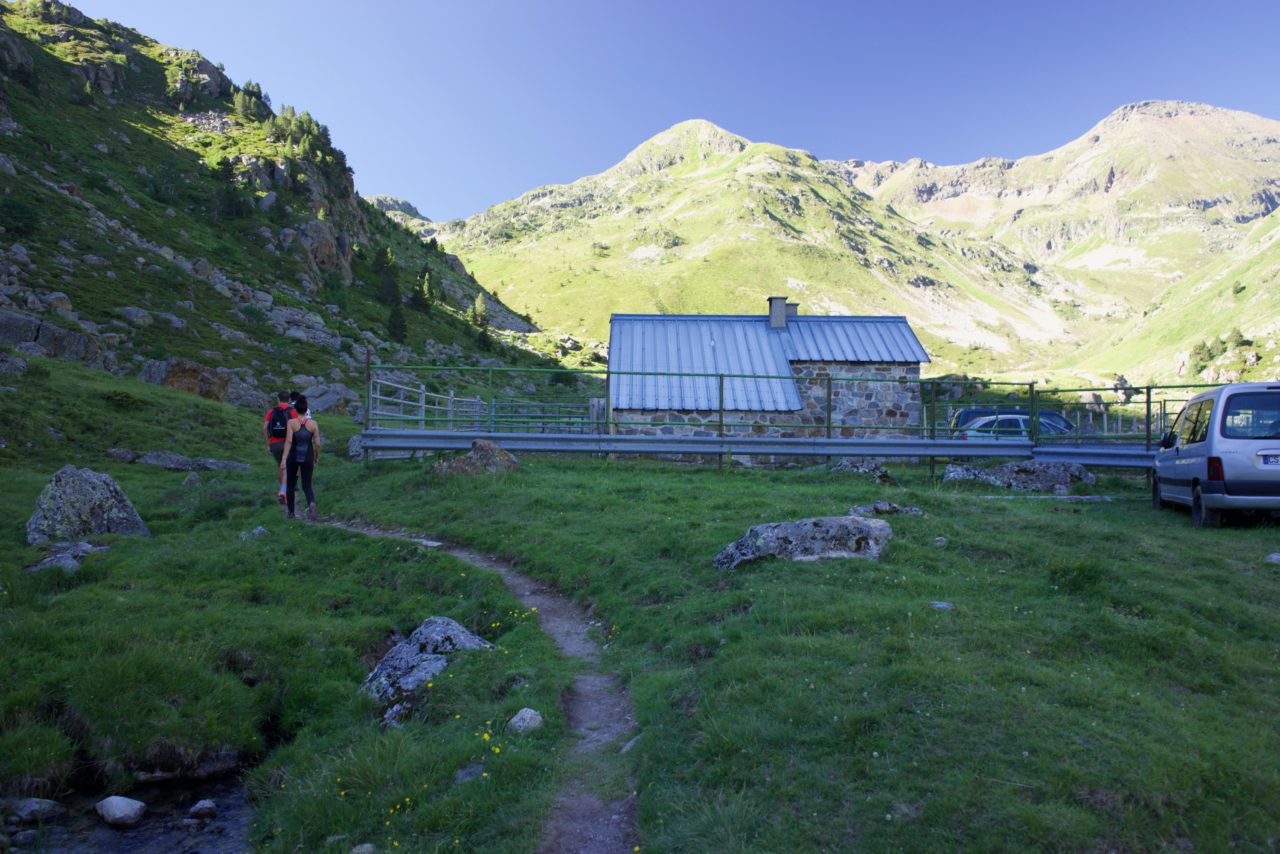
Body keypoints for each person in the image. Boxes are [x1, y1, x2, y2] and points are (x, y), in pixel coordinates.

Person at [279, 395, 321, 520]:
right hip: (308, 456)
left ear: (295, 410)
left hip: (293, 457)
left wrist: (283, 458)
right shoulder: (313, 424)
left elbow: (289, 442)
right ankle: (311, 503)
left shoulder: (291, 423)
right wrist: (316, 457)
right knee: (307, 485)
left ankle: (291, 513)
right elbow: (317, 444)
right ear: (306, 409)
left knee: (291, 485)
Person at [262, 391, 297, 504]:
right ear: (289, 400)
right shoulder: (292, 411)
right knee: (288, 467)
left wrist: (268, 444)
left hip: (275, 444)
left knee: (280, 466)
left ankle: (283, 491)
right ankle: (284, 492)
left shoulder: (271, 411)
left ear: (278, 399)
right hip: (289, 443)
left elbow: (264, 428)